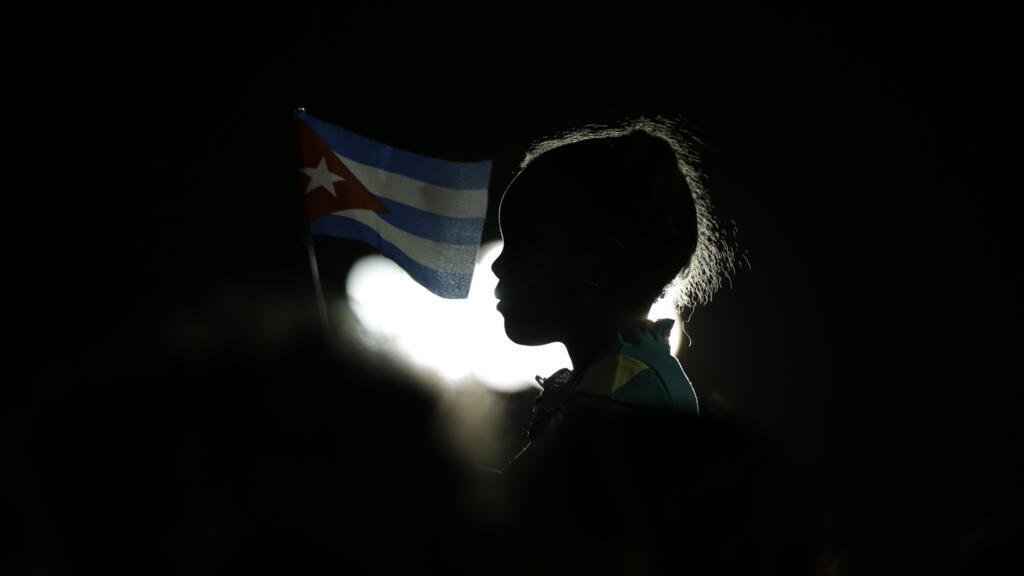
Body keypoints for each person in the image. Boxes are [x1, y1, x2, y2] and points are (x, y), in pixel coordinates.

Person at [489, 120, 814, 575]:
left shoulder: (623, 390)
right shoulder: (616, 376)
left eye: (525, 244)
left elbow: (555, 539)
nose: (499, 266)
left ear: (599, 265)